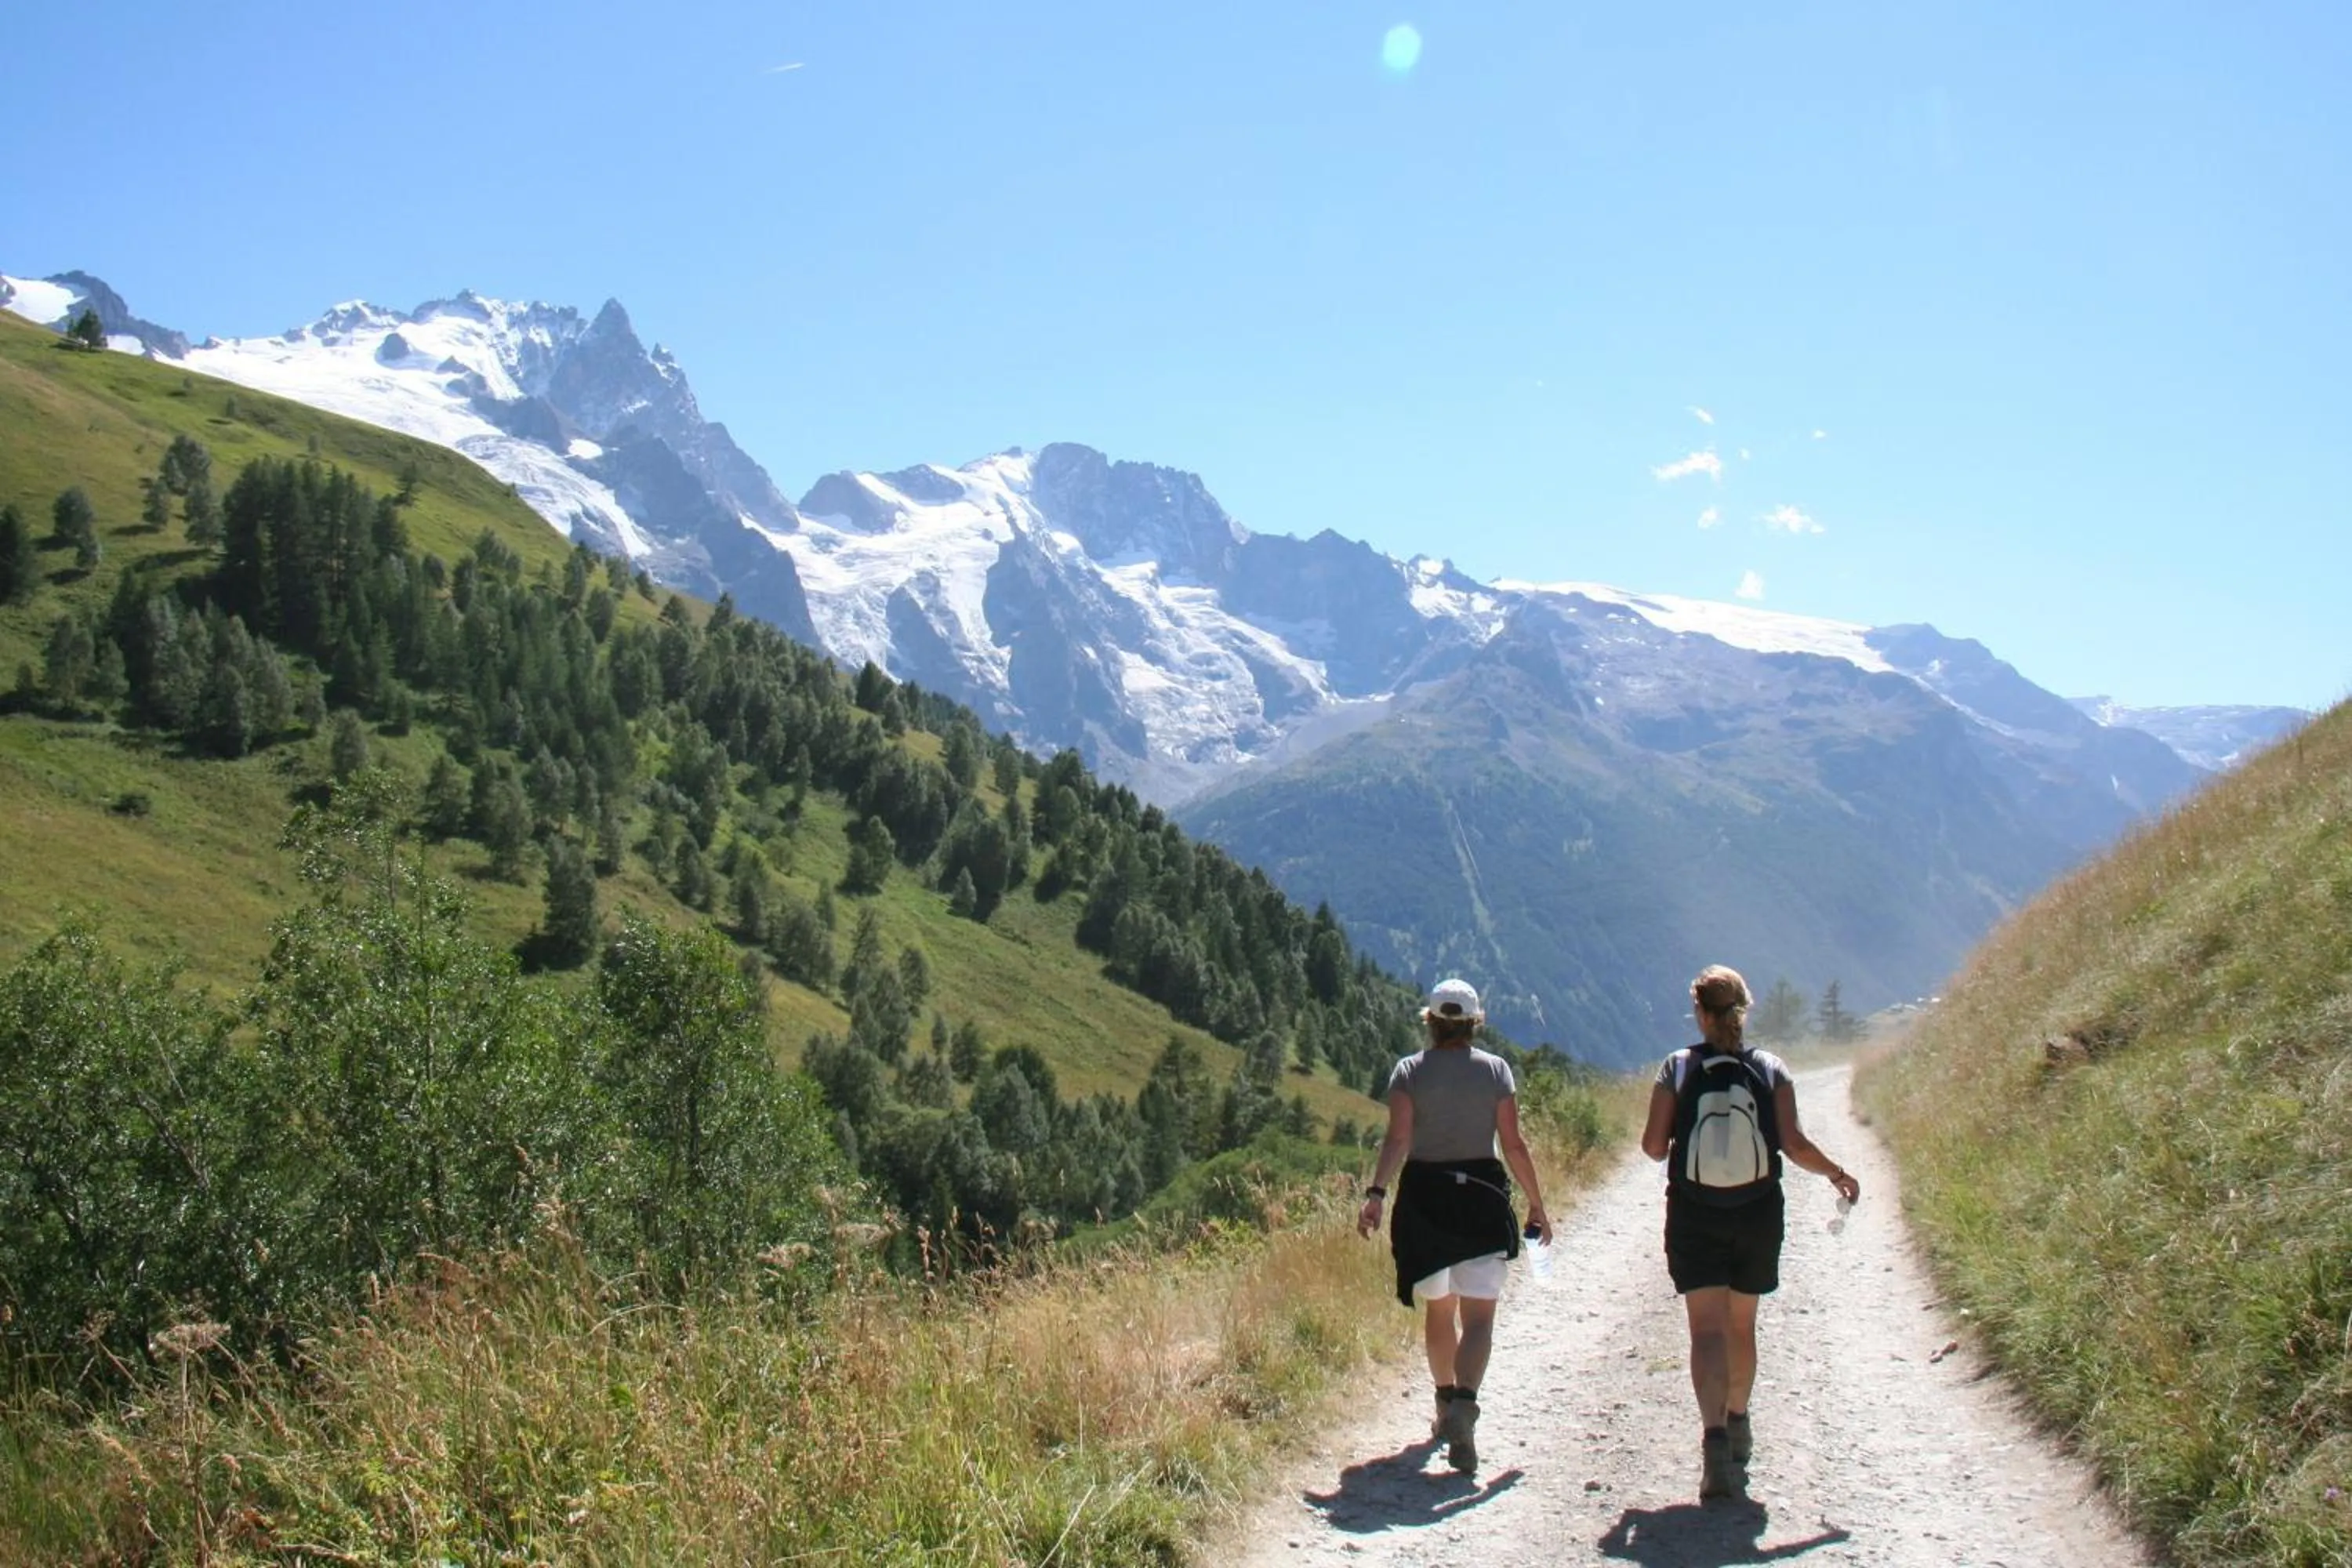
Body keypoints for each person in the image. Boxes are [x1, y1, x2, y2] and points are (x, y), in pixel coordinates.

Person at [1640, 964, 1862, 1500]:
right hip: (1757, 1212)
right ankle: (1739, 1420)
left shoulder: (1677, 1068)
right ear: (1744, 1010)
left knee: (1706, 1333)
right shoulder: (1769, 1069)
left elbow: (1651, 1147)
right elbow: (1794, 1143)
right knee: (1742, 1328)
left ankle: (1714, 1442)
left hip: (1695, 1213)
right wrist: (1838, 1174)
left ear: (1699, 1011)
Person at [1357, 978, 1553, 1474]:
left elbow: (1398, 1139)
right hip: (1482, 1199)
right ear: (1473, 1022)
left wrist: (1376, 1195)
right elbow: (1512, 1144)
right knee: (1480, 1318)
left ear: (1431, 1021)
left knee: (1439, 1311)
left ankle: (1444, 1404)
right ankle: (1465, 1405)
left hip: (1425, 1200)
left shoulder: (1408, 1071)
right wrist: (1536, 1204)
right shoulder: (1496, 1071)